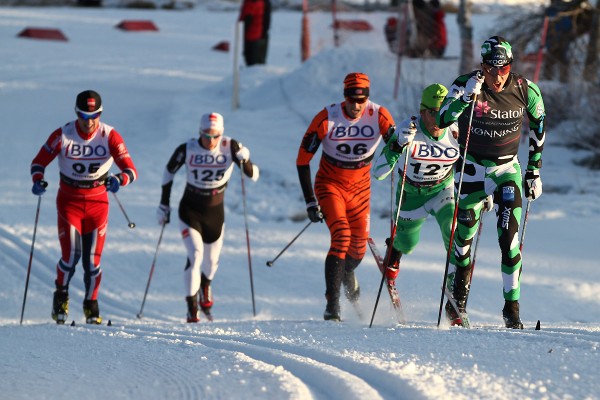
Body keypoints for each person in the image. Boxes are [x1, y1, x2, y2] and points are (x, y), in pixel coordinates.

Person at [437, 36, 546, 329]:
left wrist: (533, 171)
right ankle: (457, 296)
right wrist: (465, 98)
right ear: (482, 65)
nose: (498, 76)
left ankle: (512, 310)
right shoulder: (465, 84)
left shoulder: (526, 89)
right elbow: (442, 119)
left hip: (505, 171)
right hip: (471, 171)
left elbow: (539, 129)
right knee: (463, 243)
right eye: (491, 68)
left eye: (504, 68)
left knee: (509, 240)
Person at [30, 90, 138, 325]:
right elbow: (39, 161)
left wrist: (119, 180)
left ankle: (91, 305)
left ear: (100, 113)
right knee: (70, 257)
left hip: (98, 203)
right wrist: (37, 179)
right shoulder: (63, 135)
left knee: (93, 261)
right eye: (83, 116)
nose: (89, 122)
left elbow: (131, 169)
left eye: (94, 116)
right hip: (70, 202)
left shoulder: (110, 135)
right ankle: (60, 298)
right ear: (76, 113)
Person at [296, 72, 395, 321]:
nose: (356, 105)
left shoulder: (379, 115)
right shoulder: (327, 117)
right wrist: (310, 201)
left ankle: (346, 274)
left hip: (361, 190)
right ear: (345, 97)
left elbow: (396, 146)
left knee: (357, 250)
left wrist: (403, 142)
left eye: (361, 100)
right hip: (330, 185)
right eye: (352, 99)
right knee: (341, 236)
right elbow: (302, 160)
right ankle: (333, 304)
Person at [157, 112, 259, 323]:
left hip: (215, 212)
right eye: (206, 135)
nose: (210, 141)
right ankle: (192, 309)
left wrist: (245, 159)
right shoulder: (188, 148)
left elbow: (253, 175)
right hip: (190, 210)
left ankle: (205, 285)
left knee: (211, 263)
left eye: (215, 136)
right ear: (199, 132)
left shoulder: (230, 146)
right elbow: (168, 173)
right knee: (195, 255)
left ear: (221, 134)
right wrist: (163, 204)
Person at [373, 83, 472, 288]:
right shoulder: (407, 129)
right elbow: (378, 173)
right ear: (421, 112)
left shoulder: (457, 129)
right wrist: (397, 145)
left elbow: (472, 162)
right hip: (412, 194)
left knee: (453, 228)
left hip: (442, 190)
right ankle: (395, 249)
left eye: (443, 111)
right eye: (432, 112)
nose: (438, 119)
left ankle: (454, 282)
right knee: (408, 245)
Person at [238, 0, 271, 66]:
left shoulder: (251, 2)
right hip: (262, 36)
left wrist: (239, 33)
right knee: (259, 65)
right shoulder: (265, 2)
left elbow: (247, 18)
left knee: (252, 65)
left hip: (251, 37)